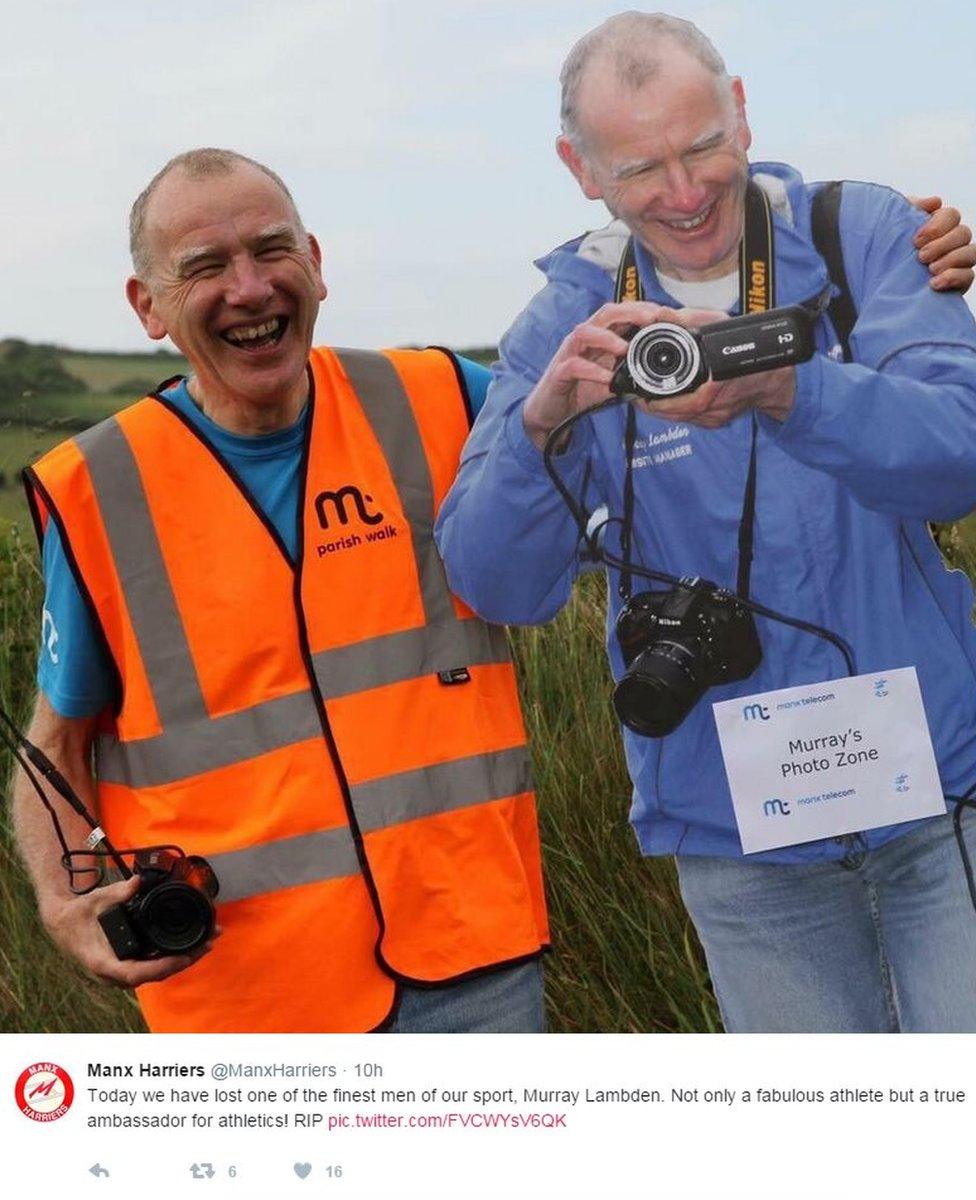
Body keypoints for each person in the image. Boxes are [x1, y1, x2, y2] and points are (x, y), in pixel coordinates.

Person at [435, 12, 976, 1032]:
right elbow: (497, 585)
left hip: (939, 794)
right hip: (737, 832)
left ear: (740, 112)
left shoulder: (857, 238)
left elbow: (959, 459)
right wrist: (540, 429)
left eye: (701, 149)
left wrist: (791, 390)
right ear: (578, 168)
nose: (683, 195)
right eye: (640, 168)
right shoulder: (562, 324)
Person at [13, 148, 548, 1034]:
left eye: (272, 250)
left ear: (318, 264)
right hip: (250, 1001)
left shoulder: (446, 401)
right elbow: (56, 744)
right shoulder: (98, 490)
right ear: (147, 306)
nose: (250, 288)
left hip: (473, 963)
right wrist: (63, 903)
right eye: (205, 268)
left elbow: (627, 482)